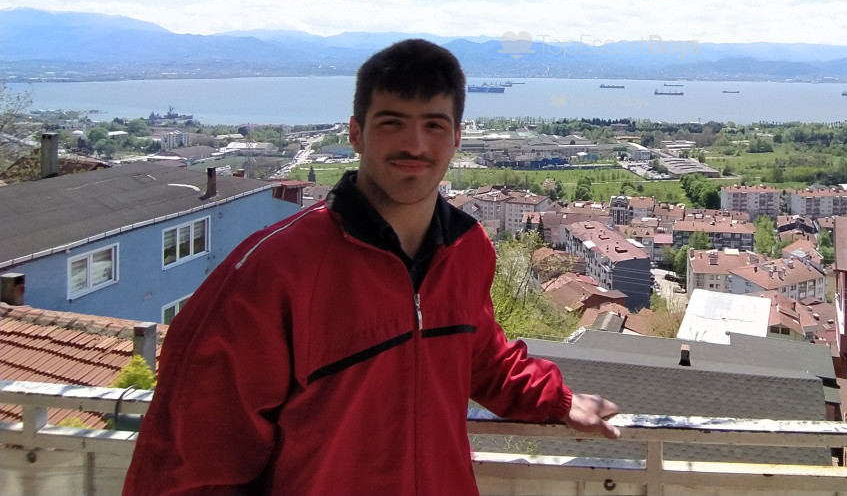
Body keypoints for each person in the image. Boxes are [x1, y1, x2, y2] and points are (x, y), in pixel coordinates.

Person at [124, 39, 620, 495]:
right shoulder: (272, 274)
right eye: (392, 122)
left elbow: (482, 359)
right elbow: (191, 465)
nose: (415, 145)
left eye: (434, 125)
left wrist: (557, 401)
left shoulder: (467, 251)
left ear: (456, 138)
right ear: (356, 134)